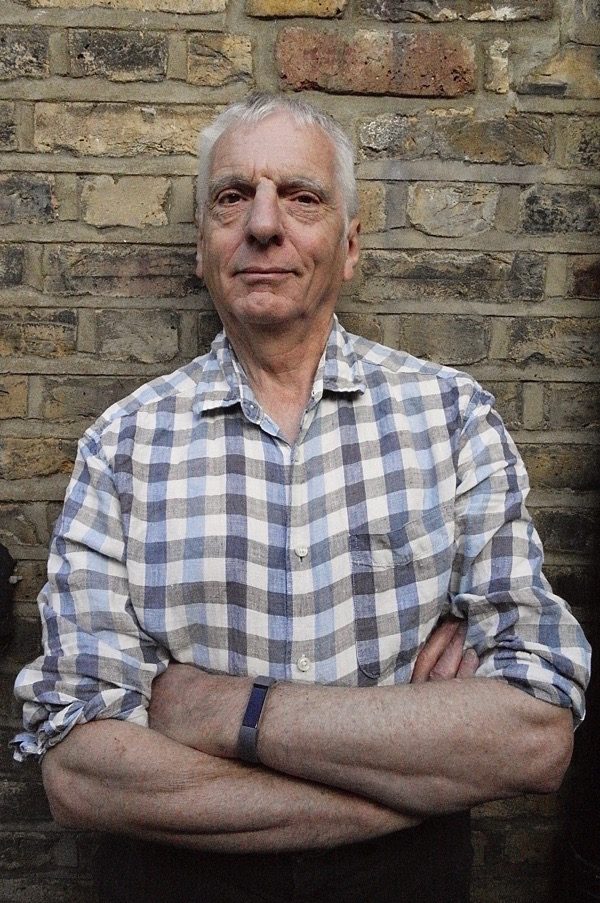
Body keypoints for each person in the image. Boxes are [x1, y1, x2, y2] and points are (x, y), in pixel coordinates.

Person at [12, 93, 590, 903]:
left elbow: (534, 734)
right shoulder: (123, 445)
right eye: (232, 197)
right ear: (203, 248)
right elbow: (81, 770)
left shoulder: (452, 419)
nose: (263, 224)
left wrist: (227, 710)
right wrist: (408, 777)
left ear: (349, 247)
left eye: (302, 197)